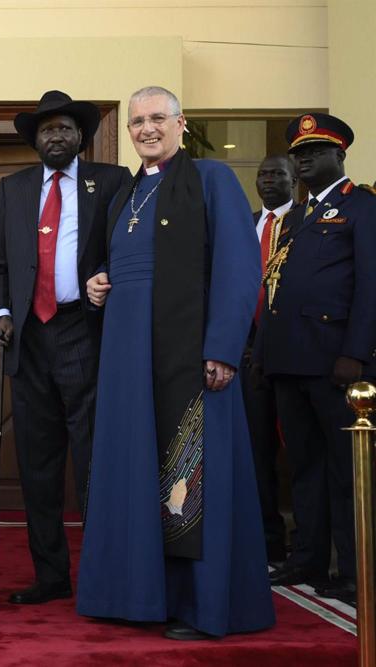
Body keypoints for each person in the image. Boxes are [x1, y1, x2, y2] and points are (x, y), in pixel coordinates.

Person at [76, 86, 275, 639]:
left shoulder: (211, 179)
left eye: (157, 118)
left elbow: (240, 266)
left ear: (181, 123)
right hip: (127, 356)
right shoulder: (124, 193)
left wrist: (223, 348)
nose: (146, 128)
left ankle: (198, 605)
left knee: (189, 469)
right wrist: (98, 282)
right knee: (132, 465)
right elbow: (119, 262)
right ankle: (136, 595)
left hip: (188, 356)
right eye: (137, 121)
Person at [0, 90, 131, 605]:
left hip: (84, 331)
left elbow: (128, 248)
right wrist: (2, 314)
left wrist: (106, 275)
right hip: (29, 340)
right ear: (35, 140)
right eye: (47, 130)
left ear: (80, 136)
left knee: (94, 461)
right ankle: (50, 576)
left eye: (65, 128)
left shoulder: (112, 181)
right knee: (38, 466)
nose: (56, 136)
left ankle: (103, 575)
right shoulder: (15, 187)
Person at [258, 113, 376, 606]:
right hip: (290, 361)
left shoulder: (362, 207)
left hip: (335, 362)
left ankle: (352, 570)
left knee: (346, 471)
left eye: (315, 152)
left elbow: (370, 285)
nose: (304, 160)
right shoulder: (297, 216)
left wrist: (356, 352)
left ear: (340, 155)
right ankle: (307, 559)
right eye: (299, 154)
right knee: (304, 466)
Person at [243, 155, 296, 565]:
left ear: (294, 180)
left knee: (302, 453)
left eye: (278, 174)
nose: (269, 180)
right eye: (263, 174)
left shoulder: (308, 221)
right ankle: (269, 541)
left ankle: (311, 545)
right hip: (249, 357)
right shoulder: (245, 224)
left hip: (296, 354)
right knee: (258, 454)